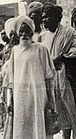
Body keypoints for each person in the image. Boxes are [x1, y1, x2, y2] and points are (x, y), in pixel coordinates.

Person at [4, 15, 56, 139]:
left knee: (38, 128)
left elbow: (49, 78)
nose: (24, 34)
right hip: (20, 98)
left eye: (27, 31)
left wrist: (52, 102)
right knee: (21, 128)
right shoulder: (14, 51)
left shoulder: (41, 50)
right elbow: (11, 80)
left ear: (32, 32)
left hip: (38, 97)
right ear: (17, 32)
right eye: (21, 31)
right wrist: (10, 101)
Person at [42, 3, 76, 139]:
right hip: (53, 81)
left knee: (72, 111)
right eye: (43, 17)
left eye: (48, 17)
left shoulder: (69, 32)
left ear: (57, 18)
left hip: (68, 79)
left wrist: (60, 58)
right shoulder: (45, 37)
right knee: (61, 115)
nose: (44, 20)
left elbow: (74, 52)